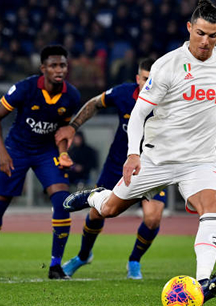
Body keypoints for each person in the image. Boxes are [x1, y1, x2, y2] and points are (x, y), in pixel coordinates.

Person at [64, 0, 216, 302]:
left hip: (199, 161)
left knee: (213, 204)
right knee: (109, 209)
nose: (206, 41)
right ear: (190, 28)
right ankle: (93, 195)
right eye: (201, 33)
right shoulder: (167, 66)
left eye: (213, 35)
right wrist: (133, 154)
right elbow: (138, 114)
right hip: (156, 158)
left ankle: (203, 282)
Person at [54, 58, 168, 280]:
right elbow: (95, 103)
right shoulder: (124, 93)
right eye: (145, 79)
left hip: (152, 168)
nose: (149, 83)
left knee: (153, 218)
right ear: (137, 79)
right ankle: (83, 255)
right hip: (118, 165)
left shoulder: (169, 100)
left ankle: (134, 261)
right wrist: (73, 127)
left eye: (154, 79)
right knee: (97, 214)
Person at [0, 45, 81, 279]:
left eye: (62, 65)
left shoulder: (72, 96)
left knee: (62, 202)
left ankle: (55, 266)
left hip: (46, 152)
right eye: (53, 65)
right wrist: (2, 152)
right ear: (43, 68)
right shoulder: (24, 88)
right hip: (16, 150)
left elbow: (62, 131)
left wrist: (62, 153)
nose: (58, 69)